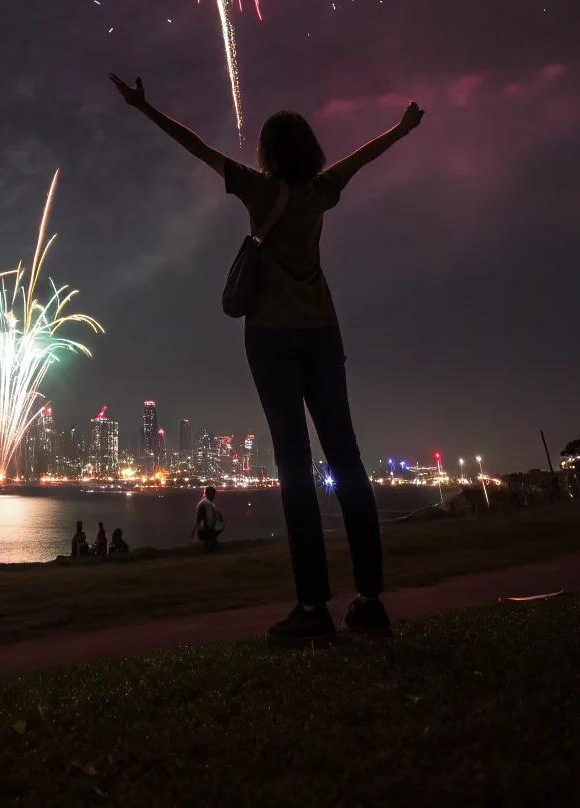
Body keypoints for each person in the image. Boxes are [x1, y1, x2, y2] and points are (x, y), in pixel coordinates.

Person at [110, 71, 425, 647]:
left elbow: (198, 147)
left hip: (273, 338)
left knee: (294, 467)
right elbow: (363, 156)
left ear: (271, 154)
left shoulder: (260, 192)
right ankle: (371, 599)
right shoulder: (322, 192)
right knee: (347, 462)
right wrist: (402, 129)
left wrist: (143, 108)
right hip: (324, 333)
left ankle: (311, 605)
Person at [194, 485, 224, 551]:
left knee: (209, 541)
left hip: (204, 528)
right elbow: (207, 518)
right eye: (212, 494)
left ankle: (209, 546)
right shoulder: (207, 504)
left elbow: (200, 518)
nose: (214, 496)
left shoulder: (205, 503)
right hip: (206, 529)